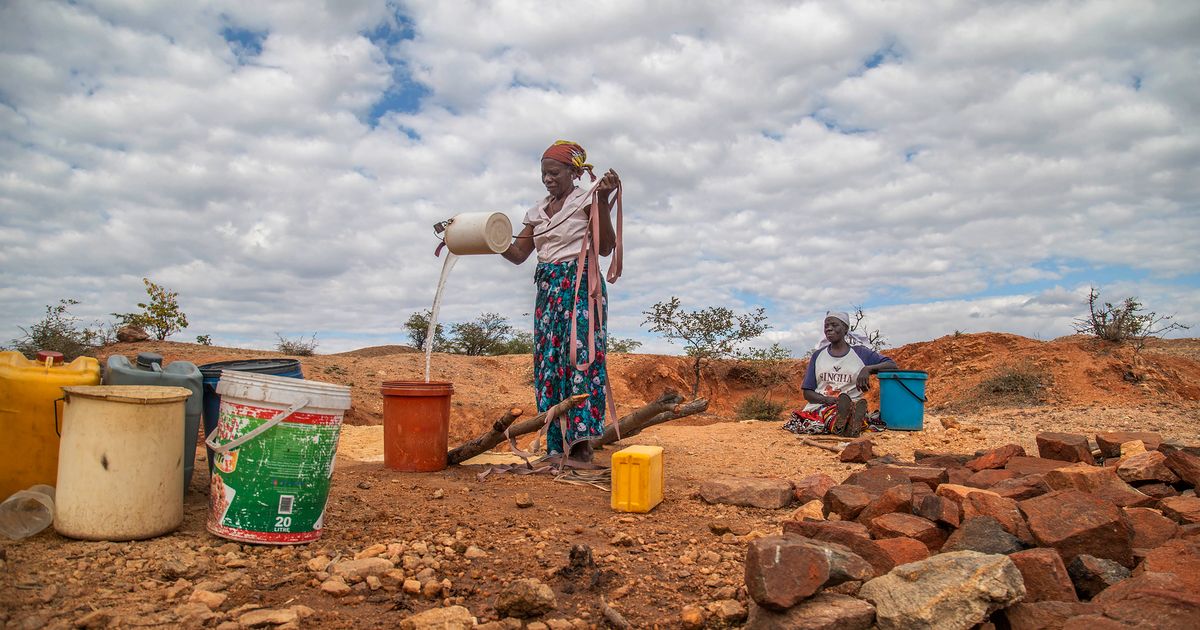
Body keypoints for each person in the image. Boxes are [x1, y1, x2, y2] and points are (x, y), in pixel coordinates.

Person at [502, 140, 622, 463]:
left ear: (573, 171)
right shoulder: (537, 213)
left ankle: (582, 447)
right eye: (544, 174)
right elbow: (517, 255)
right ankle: (556, 447)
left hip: (580, 286)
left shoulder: (586, 199)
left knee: (580, 359)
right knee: (549, 365)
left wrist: (601, 201)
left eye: (554, 172)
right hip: (548, 293)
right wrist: (492, 236)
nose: (548, 179)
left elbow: (606, 246)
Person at [783, 311, 897, 436]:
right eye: (826, 326)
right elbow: (807, 393)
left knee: (851, 410)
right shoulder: (818, 355)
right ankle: (848, 425)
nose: (829, 329)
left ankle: (848, 422)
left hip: (853, 404)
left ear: (845, 329)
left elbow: (891, 365)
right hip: (823, 405)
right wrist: (828, 399)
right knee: (828, 414)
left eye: (834, 325)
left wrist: (868, 369)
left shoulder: (861, 353)